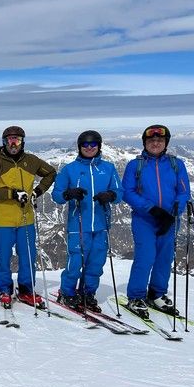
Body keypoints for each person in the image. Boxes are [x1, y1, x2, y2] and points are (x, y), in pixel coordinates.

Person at [0, 126, 56, 308]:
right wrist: (11, 194)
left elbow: (51, 173)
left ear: (23, 142)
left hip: (26, 218)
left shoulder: (31, 161)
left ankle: (26, 289)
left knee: (28, 256)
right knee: (3, 257)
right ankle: (4, 289)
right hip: (2, 219)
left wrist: (38, 191)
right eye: (10, 140)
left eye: (17, 140)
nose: (13, 144)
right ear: (4, 142)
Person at [121, 124, 191, 316]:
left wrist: (175, 212)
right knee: (145, 257)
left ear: (166, 143)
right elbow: (127, 192)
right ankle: (136, 296)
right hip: (144, 220)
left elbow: (184, 192)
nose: (155, 143)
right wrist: (151, 209)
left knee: (164, 257)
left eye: (160, 140)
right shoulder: (135, 165)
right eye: (151, 140)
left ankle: (156, 293)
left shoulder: (176, 164)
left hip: (170, 220)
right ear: (145, 143)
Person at [51, 130, 122, 312]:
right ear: (79, 147)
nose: (89, 148)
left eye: (93, 144)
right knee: (75, 262)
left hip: (101, 224)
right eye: (85, 145)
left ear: (99, 146)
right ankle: (67, 292)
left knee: (96, 263)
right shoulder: (69, 169)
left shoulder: (108, 168)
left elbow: (119, 192)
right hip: (78, 224)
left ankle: (87, 293)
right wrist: (68, 194)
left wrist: (111, 195)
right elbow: (56, 195)